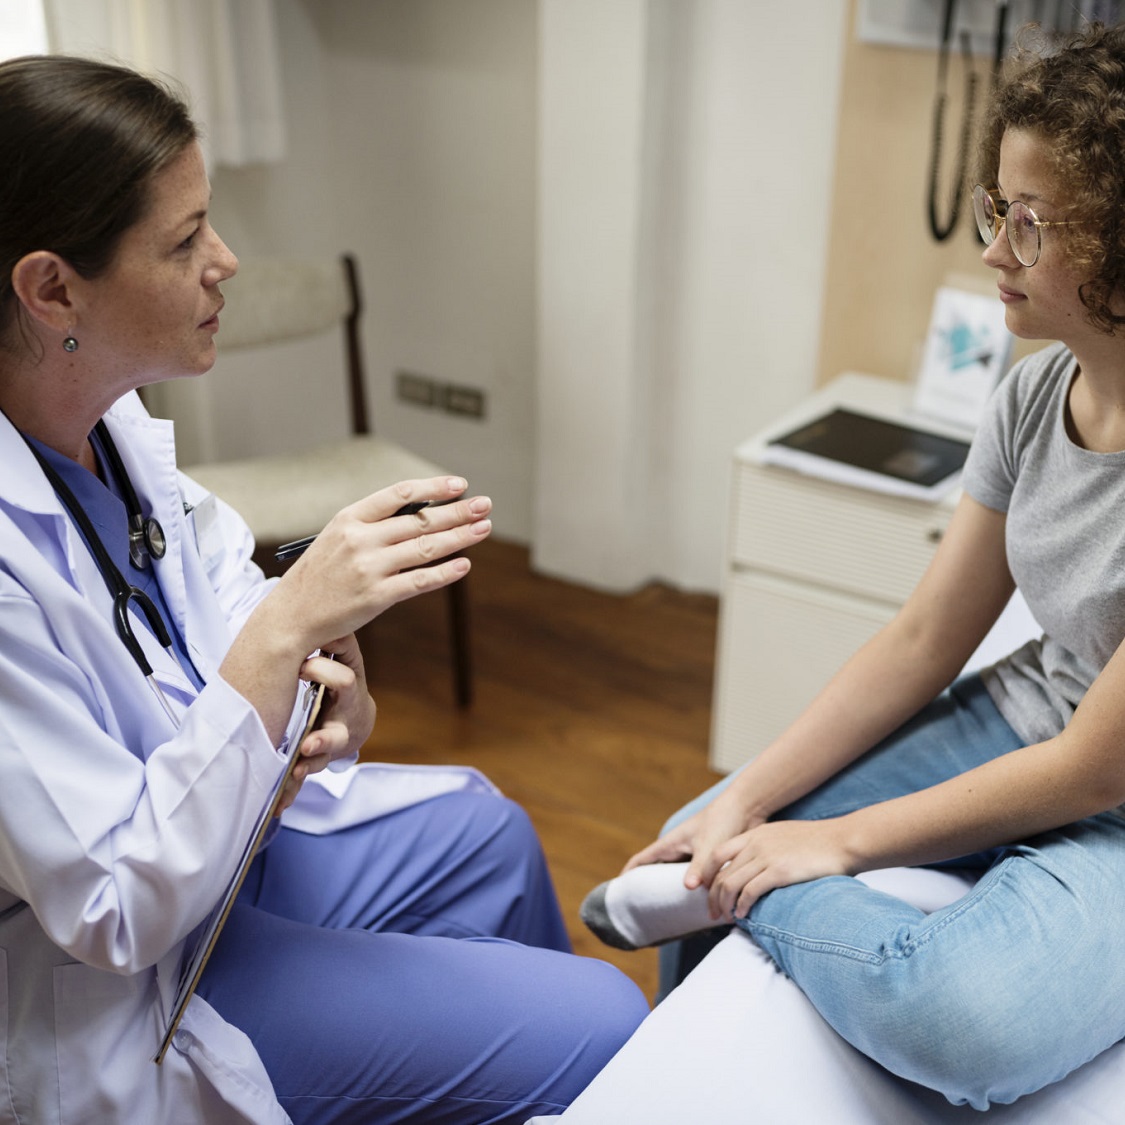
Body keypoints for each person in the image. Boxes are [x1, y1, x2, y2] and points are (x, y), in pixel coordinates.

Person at [0, 54, 647, 1125]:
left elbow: (229, 620)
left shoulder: (107, 431)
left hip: (224, 868)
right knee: (604, 1023)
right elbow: (113, 907)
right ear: (52, 287)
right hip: (133, 983)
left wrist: (326, 689)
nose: (226, 261)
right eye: (182, 239)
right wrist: (292, 627)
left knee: (488, 831)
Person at [583, 20, 1125, 1113]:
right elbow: (927, 636)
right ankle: (722, 894)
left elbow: (1096, 773)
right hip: (1030, 722)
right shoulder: (1032, 394)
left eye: (1029, 225)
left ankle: (744, 900)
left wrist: (828, 844)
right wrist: (752, 800)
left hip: (1111, 787)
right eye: (993, 211)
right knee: (708, 833)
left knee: (963, 1020)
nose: (990, 254)